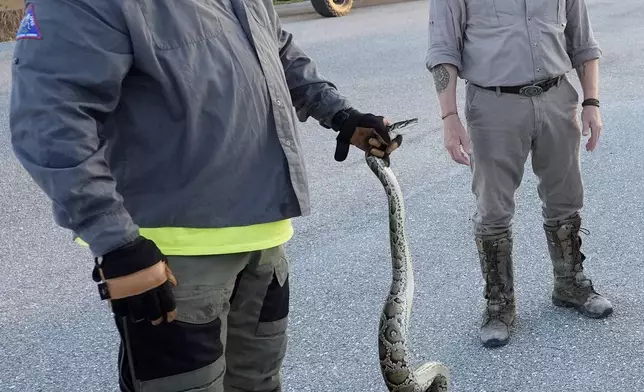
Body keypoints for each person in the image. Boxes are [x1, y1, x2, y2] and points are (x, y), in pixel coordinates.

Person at [9, 0, 403, 390]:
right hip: (171, 263)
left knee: (259, 384)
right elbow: (50, 120)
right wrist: (116, 242)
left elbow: (278, 50)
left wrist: (341, 114)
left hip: (264, 243)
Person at [425, 0, 612, 348]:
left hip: (557, 97)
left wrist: (592, 102)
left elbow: (583, 41)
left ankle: (569, 282)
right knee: (493, 207)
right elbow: (443, 50)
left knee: (566, 196)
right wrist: (449, 117)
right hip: (494, 103)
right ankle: (499, 303)